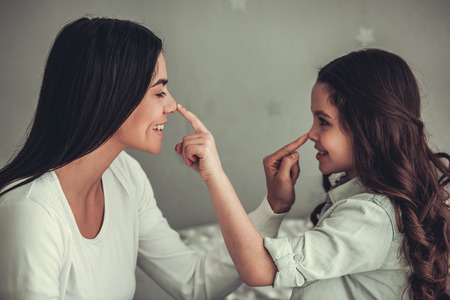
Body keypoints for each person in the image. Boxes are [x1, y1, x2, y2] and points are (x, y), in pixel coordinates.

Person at [0, 17, 292, 299]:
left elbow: (194, 283)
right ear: (112, 97)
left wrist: (272, 206)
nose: (172, 105)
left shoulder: (125, 175)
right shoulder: (31, 213)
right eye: (160, 92)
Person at [176, 49, 450, 299]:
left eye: (323, 121)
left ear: (368, 126)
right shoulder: (366, 205)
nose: (311, 134)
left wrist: (215, 176)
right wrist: (277, 202)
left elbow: (257, 269)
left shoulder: (372, 217)